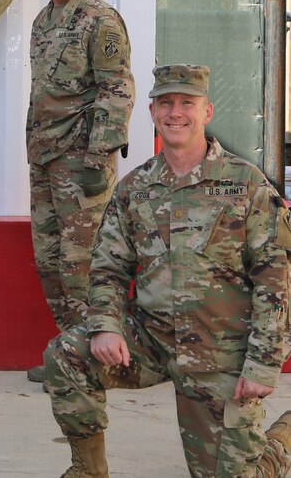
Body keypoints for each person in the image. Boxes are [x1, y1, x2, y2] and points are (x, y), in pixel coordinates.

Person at [44, 64, 291, 477]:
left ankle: (280, 444)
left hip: (220, 349)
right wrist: (105, 324)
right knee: (67, 354)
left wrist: (264, 363)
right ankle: (88, 471)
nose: (176, 113)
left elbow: (276, 280)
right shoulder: (135, 188)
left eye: (187, 103)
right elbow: (108, 268)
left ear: (207, 111)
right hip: (152, 339)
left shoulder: (245, 185)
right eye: (166, 103)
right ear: (153, 112)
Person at [26, 0, 134, 382]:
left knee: (83, 262)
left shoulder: (100, 19)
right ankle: (74, 357)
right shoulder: (42, 21)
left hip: (81, 159)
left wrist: (98, 157)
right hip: (44, 156)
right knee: (50, 260)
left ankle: (102, 362)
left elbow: (117, 89)